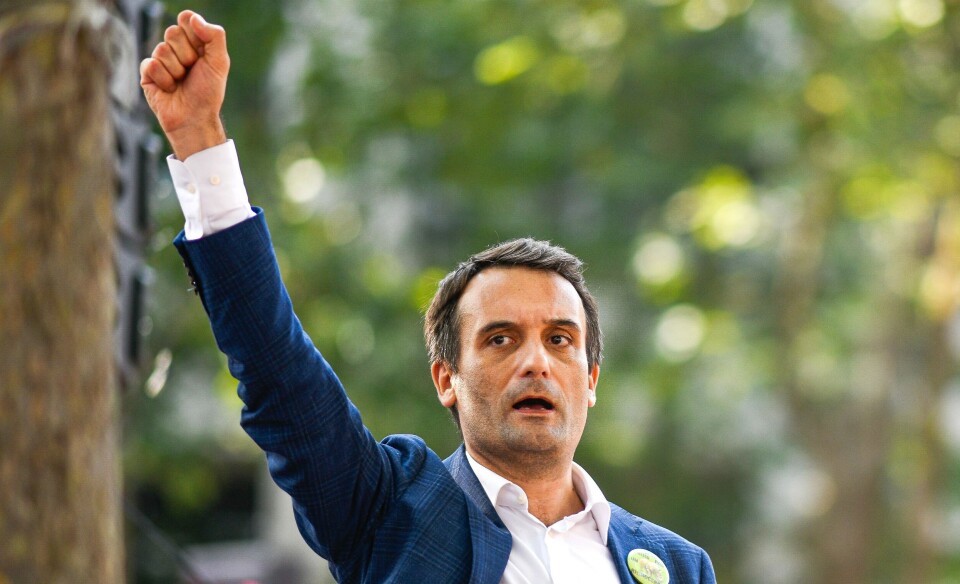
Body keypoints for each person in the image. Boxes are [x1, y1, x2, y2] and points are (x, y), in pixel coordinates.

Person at [140, 10, 717, 584]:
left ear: (591, 379)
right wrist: (200, 141)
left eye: (560, 339)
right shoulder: (392, 510)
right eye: (500, 338)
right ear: (447, 379)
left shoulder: (677, 565)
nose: (536, 362)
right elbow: (278, 371)